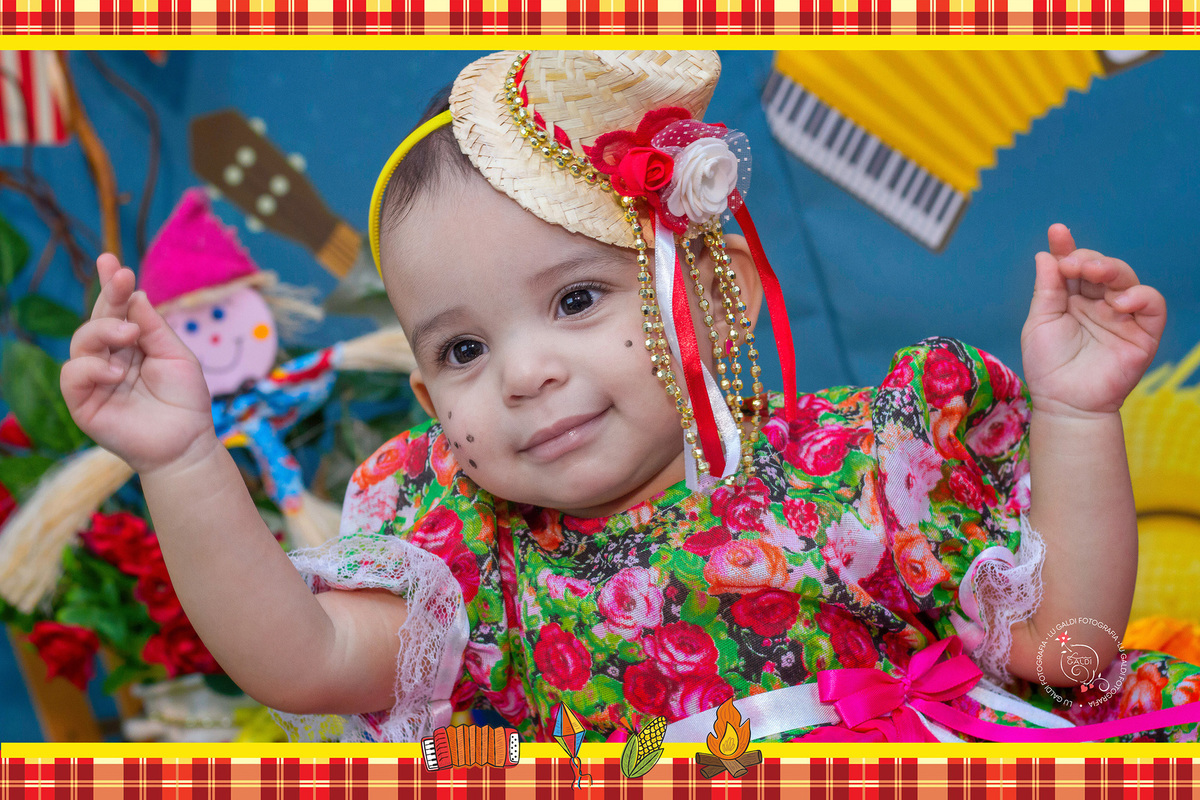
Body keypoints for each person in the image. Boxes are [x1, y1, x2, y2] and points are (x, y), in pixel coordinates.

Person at [62, 50, 1200, 744]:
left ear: (721, 291)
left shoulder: (867, 473)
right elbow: (300, 655)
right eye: (462, 351)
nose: (522, 371)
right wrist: (179, 458)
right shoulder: (476, 565)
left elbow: (1068, 648)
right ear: (423, 396)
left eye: (575, 301)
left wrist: (1079, 414)